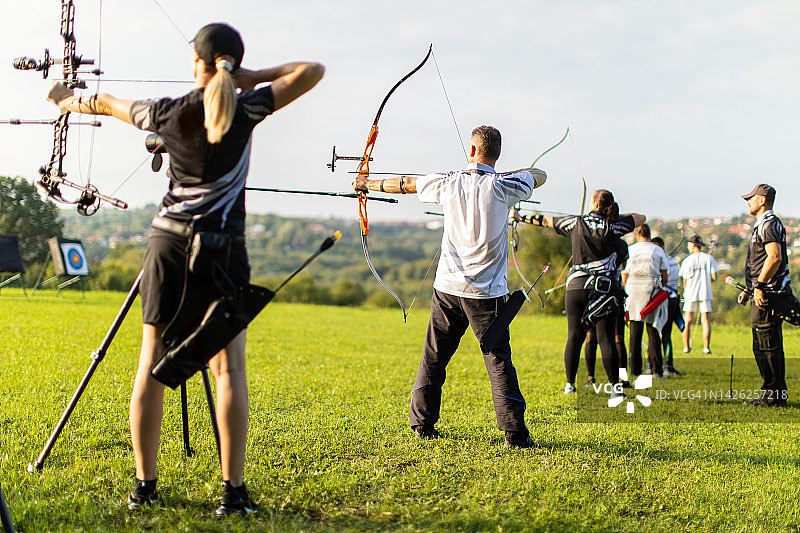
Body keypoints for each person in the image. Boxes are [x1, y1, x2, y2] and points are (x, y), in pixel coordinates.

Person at [47, 23, 324, 515]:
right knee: (228, 368)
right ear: (231, 65)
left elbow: (107, 103)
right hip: (223, 251)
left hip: (168, 248)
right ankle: (233, 493)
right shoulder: (248, 107)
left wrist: (68, 98)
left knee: (151, 364)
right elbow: (311, 71)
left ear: (195, 62)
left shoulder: (166, 113)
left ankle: (145, 487)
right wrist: (251, 77)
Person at [353, 126, 546, 448]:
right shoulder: (507, 185)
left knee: (434, 357)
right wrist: (505, 170)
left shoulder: (449, 181)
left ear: (471, 150)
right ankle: (515, 434)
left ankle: (422, 424)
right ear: (496, 154)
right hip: (487, 296)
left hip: (447, 289)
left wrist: (366, 184)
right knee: (497, 358)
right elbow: (539, 174)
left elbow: (404, 184)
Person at [516, 190, 644, 397]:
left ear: (593, 203)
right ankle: (614, 388)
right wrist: (612, 217)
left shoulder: (576, 222)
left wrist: (520, 217)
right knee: (606, 338)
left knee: (574, 336)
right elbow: (641, 218)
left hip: (576, 286)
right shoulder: (614, 226)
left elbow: (546, 220)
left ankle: (570, 384)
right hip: (602, 290)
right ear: (609, 206)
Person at [738, 184, 789, 406]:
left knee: (767, 346)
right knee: (761, 345)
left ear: (762, 200)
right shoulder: (764, 224)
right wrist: (750, 290)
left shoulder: (768, 224)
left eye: (751, 198)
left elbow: (774, 257)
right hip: (760, 293)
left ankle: (773, 395)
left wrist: (758, 286)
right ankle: (772, 393)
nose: (748, 201)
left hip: (768, 295)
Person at [622, 224, 668, 378]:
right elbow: (665, 276)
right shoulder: (657, 250)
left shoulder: (631, 249)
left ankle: (635, 370)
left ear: (637, 235)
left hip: (633, 289)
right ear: (649, 235)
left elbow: (624, 274)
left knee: (635, 332)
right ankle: (656, 370)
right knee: (653, 330)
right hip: (651, 289)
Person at [583, 237, 629, 388]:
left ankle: (591, 378)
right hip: (614, 293)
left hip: (595, 294)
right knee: (617, 339)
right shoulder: (621, 244)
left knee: (592, 336)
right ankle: (623, 380)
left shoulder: (594, 243)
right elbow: (623, 266)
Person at [679, 235, 717, 354]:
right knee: (705, 320)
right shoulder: (709, 258)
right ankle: (706, 347)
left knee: (687, 320)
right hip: (705, 292)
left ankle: (686, 347)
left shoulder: (687, 260)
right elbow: (714, 277)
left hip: (690, 293)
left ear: (693, 244)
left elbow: (684, 280)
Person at [651, 236, 682, 376]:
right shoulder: (662, 260)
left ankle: (667, 365)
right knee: (655, 333)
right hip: (660, 299)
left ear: (662, 248)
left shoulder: (669, 262)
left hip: (667, 300)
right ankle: (654, 363)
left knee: (664, 333)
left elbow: (664, 280)